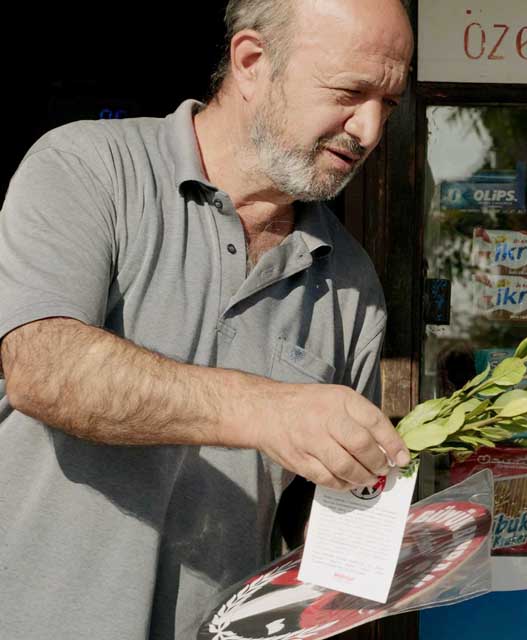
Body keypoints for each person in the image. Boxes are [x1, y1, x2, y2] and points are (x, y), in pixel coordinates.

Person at [0, 1, 415, 638]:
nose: (369, 130)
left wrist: (381, 544)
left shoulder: (352, 281)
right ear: (252, 63)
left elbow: (316, 522)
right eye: (350, 92)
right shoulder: (90, 168)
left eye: (388, 103)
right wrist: (271, 411)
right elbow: (42, 366)